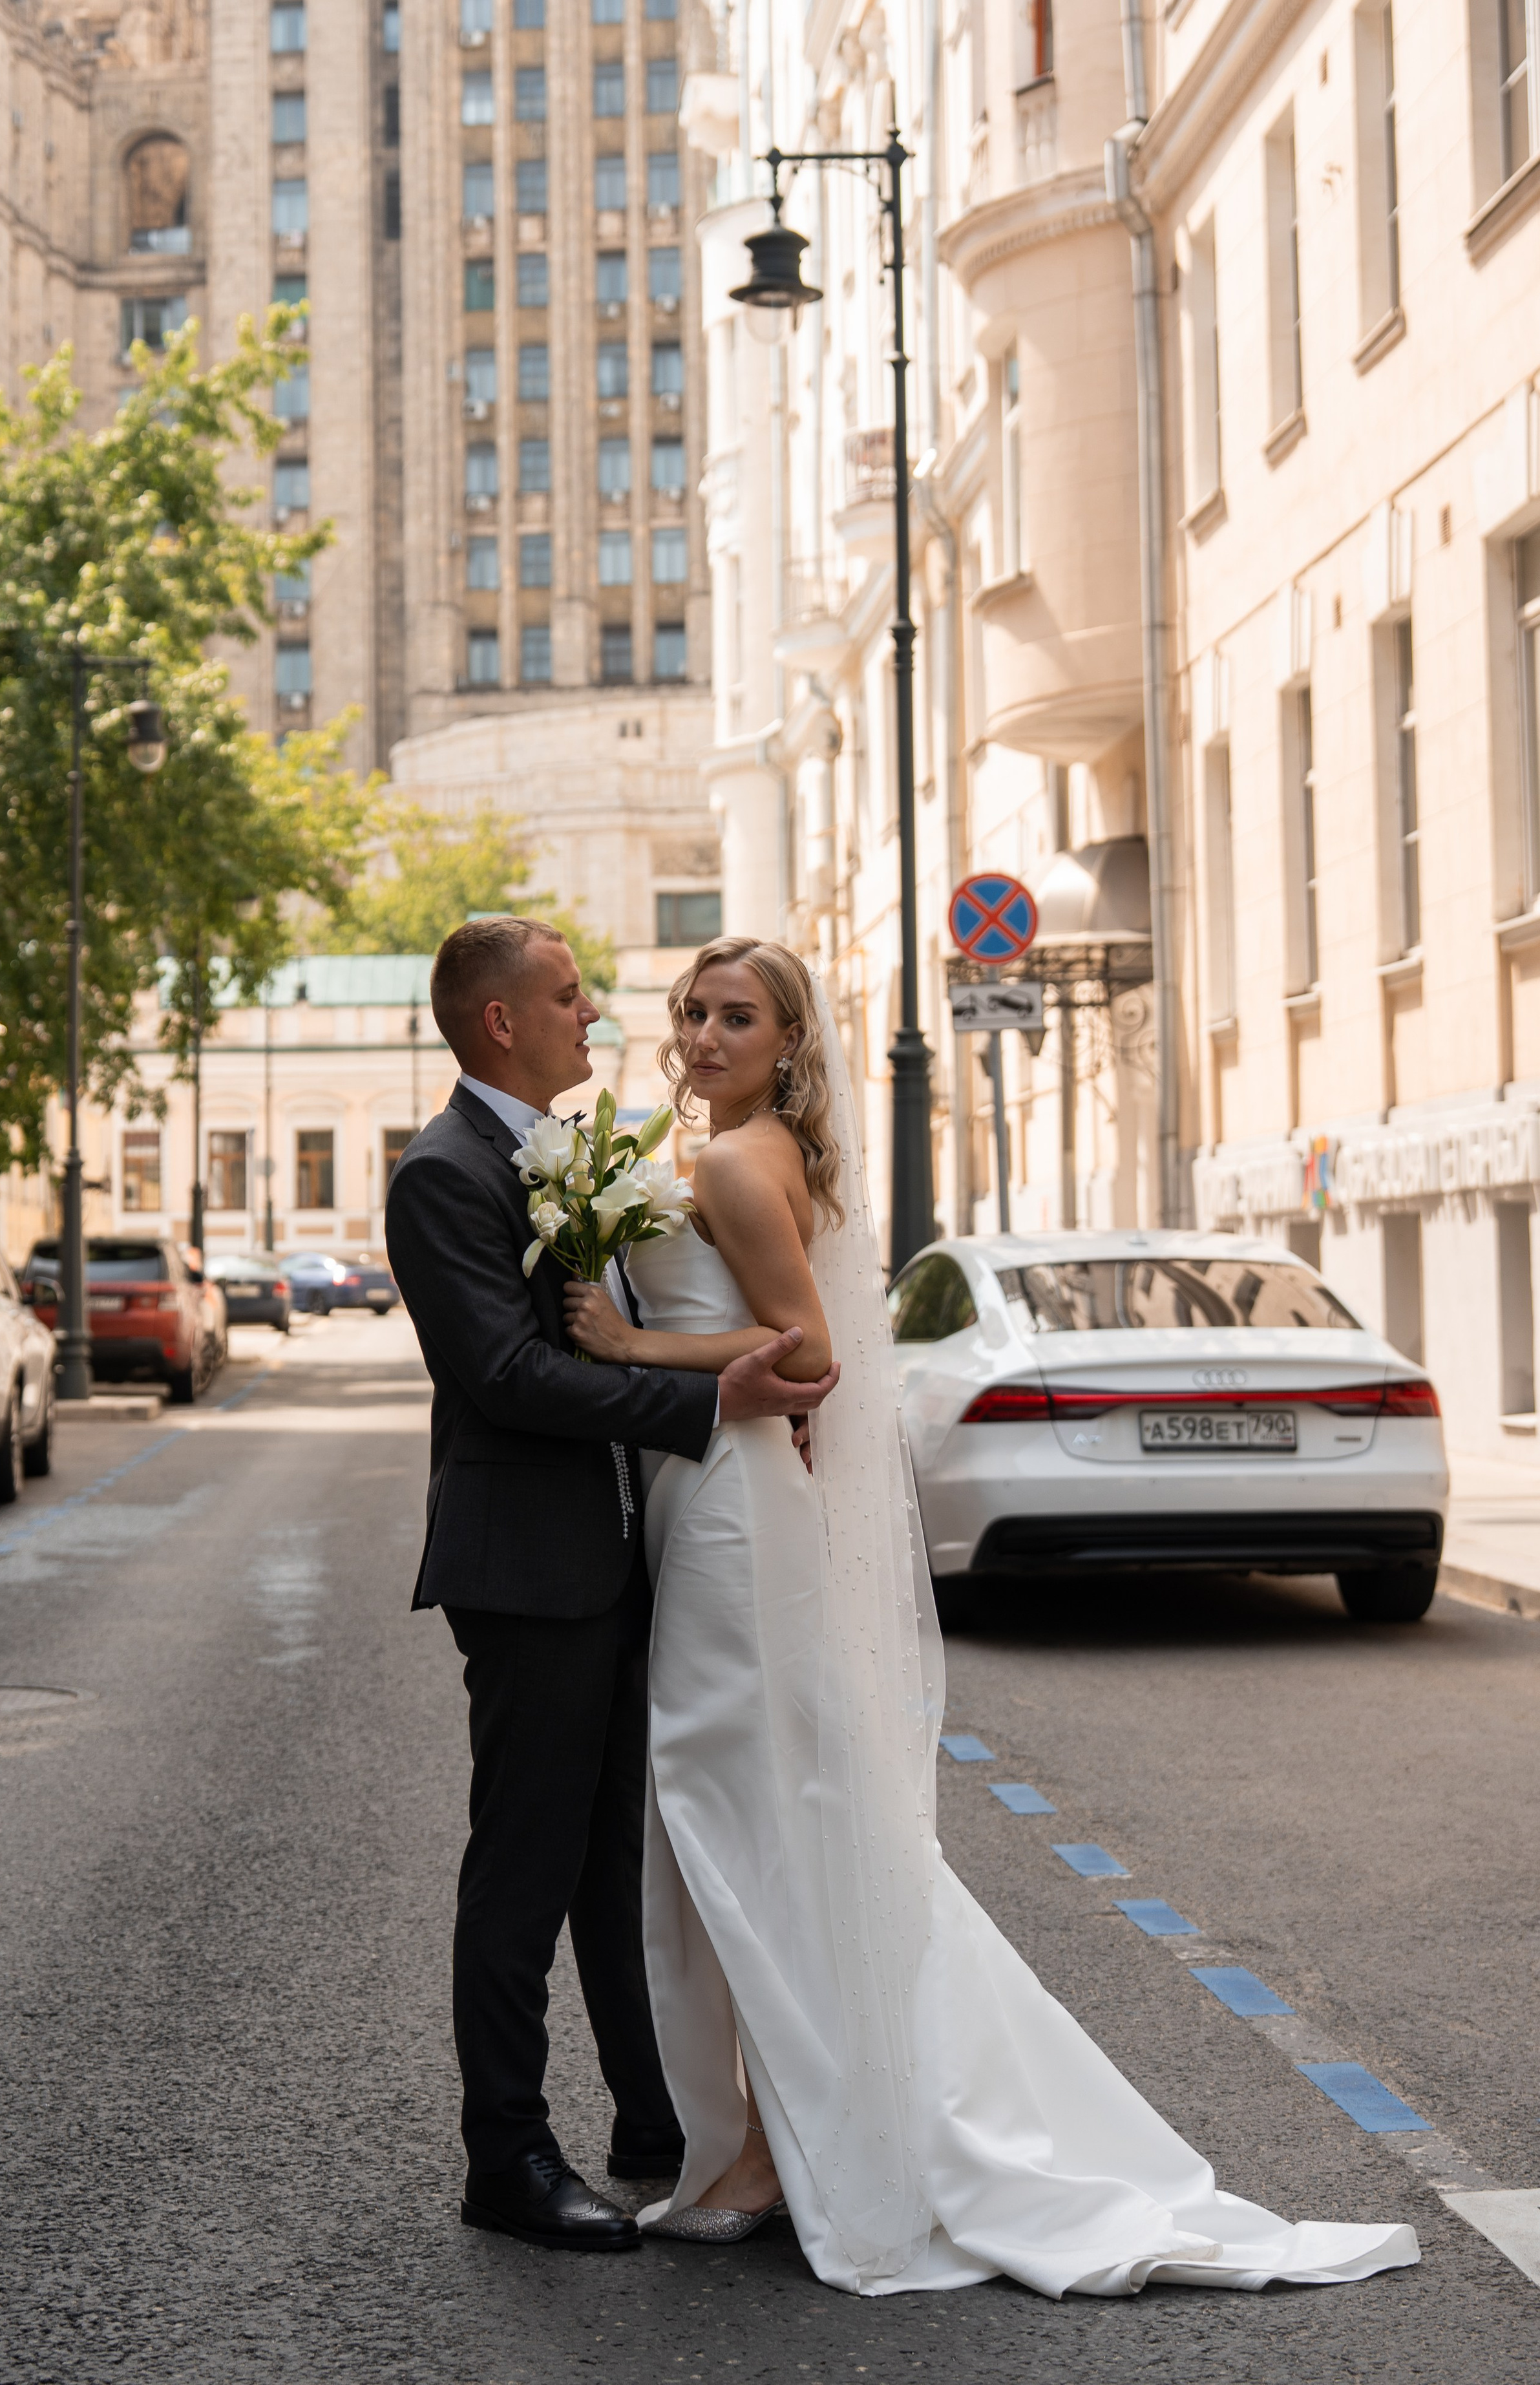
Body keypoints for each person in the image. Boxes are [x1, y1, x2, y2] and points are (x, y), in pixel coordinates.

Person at [562, 934, 1420, 2298]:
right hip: (710, 1498)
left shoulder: (730, 1158)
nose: (704, 1032)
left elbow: (810, 1351)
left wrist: (628, 1348)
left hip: (728, 1506)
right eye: (691, 1010)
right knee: (764, 1814)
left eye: (737, 1016)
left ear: (788, 1043)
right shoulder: (720, 1143)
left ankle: (780, 2148)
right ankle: (775, 2129)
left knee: (734, 1812)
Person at [384, 917, 840, 2256]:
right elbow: (512, 1380)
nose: (597, 1015)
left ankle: (655, 2119)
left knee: (617, 1862)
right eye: (569, 997)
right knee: (524, 1865)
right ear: (500, 1025)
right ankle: (507, 2155)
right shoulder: (444, 1173)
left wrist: (690, 1381)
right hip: (528, 1565)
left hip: (629, 1548)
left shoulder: (561, 1154)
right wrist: (707, 1399)